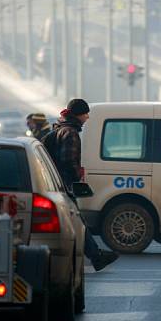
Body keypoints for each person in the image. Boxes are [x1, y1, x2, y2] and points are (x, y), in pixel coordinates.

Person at [42, 98, 118, 271]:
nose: (88, 117)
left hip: (56, 184)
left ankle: (95, 255)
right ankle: (95, 256)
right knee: (76, 222)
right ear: (78, 115)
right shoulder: (70, 133)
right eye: (85, 113)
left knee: (77, 221)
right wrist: (77, 178)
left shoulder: (60, 129)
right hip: (64, 185)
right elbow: (68, 160)